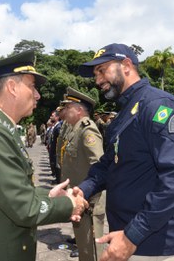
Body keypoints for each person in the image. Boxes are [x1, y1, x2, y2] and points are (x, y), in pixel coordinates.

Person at [0, 50, 88, 261]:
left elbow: (12, 188)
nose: (37, 95)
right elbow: (23, 207)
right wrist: (69, 204)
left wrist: (47, 196)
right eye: (32, 87)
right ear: (12, 87)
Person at [75, 43, 174, 260]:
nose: (98, 80)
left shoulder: (159, 106)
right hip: (124, 237)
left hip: (152, 245)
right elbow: (107, 165)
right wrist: (82, 190)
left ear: (127, 65)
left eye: (102, 70)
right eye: (95, 74)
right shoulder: (125, 114)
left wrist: (133, 235)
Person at [61, 87, 106, 260]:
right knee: (83, 248)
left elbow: (99, 166)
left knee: (91, 250)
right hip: (80, 200)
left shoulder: (87, 130)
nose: (64, 111)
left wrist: (90, 202)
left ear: (79, 110)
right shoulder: (75, 129)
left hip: (89, 203)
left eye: (68, 107)